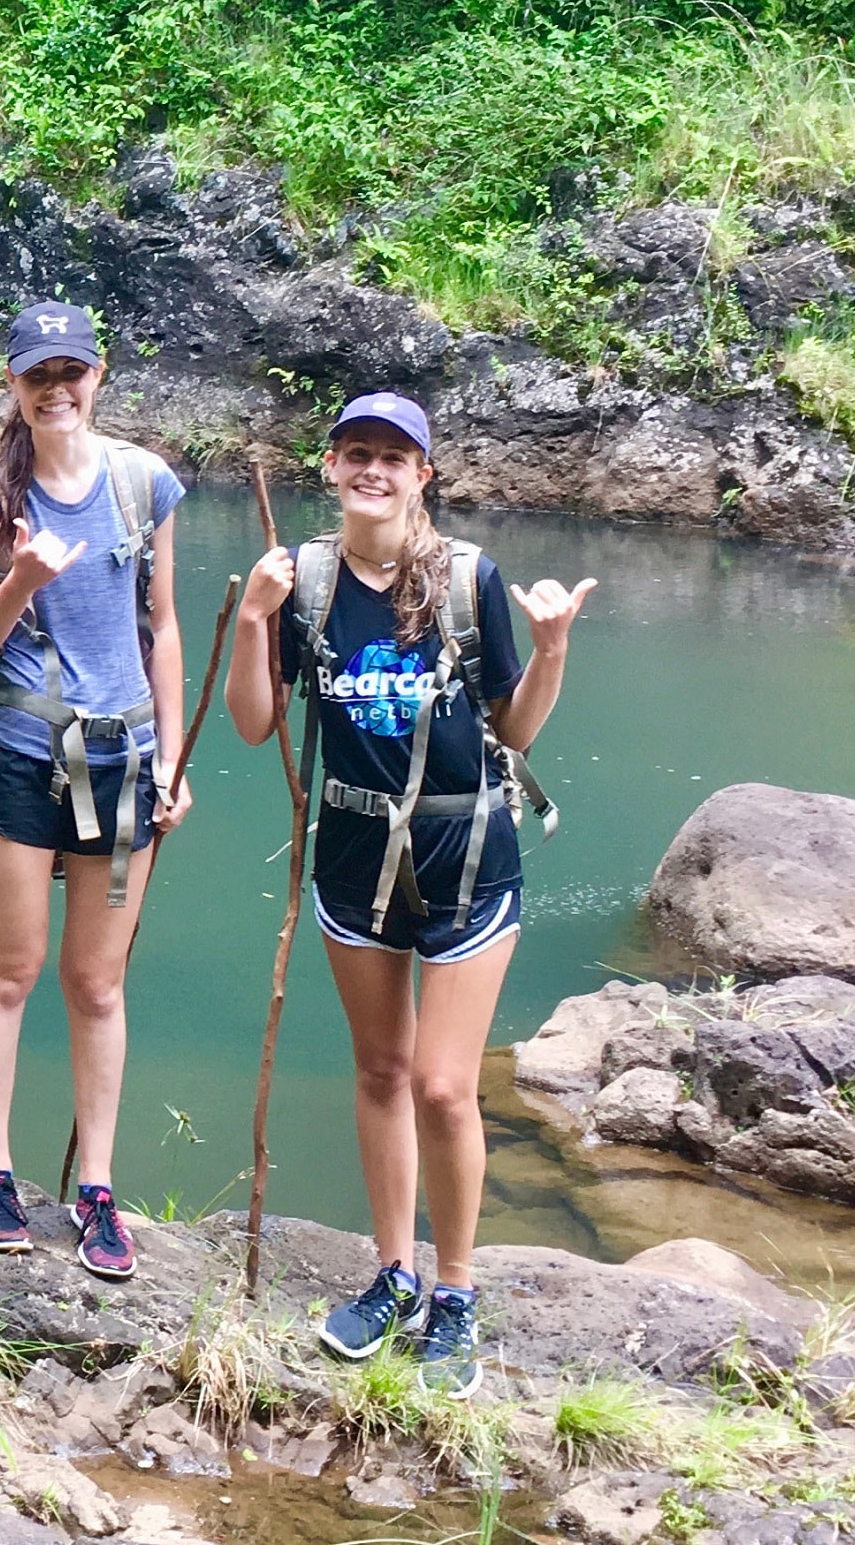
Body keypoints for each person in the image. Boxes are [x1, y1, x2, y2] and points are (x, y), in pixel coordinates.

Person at [225, 391, 593, 1392]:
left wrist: (553, 646)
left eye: (396, 458)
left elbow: (512, 734)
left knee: (441, 1083)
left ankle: (457, 1291)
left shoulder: (467, 579)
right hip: (351, 859)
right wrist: (254, 624)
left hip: (466, 856)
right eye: (357, 455)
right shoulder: (302, 579)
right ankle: (392, 1273)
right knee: (381, 1071)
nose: (374, 472)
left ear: (423, 474)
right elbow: (254, 724)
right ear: (332, 466)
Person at [0, 301, 190, 1280]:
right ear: (13, 384)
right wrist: (19, 583)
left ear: (98, 375)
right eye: (37, 373)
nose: (56, 389)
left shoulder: (144, 485)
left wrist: (171, 760)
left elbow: (163, 630)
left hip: (125, 757)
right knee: (9, 970)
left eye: (71, 371)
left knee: (96, 981)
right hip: (13, 753)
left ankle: (96, 1187)